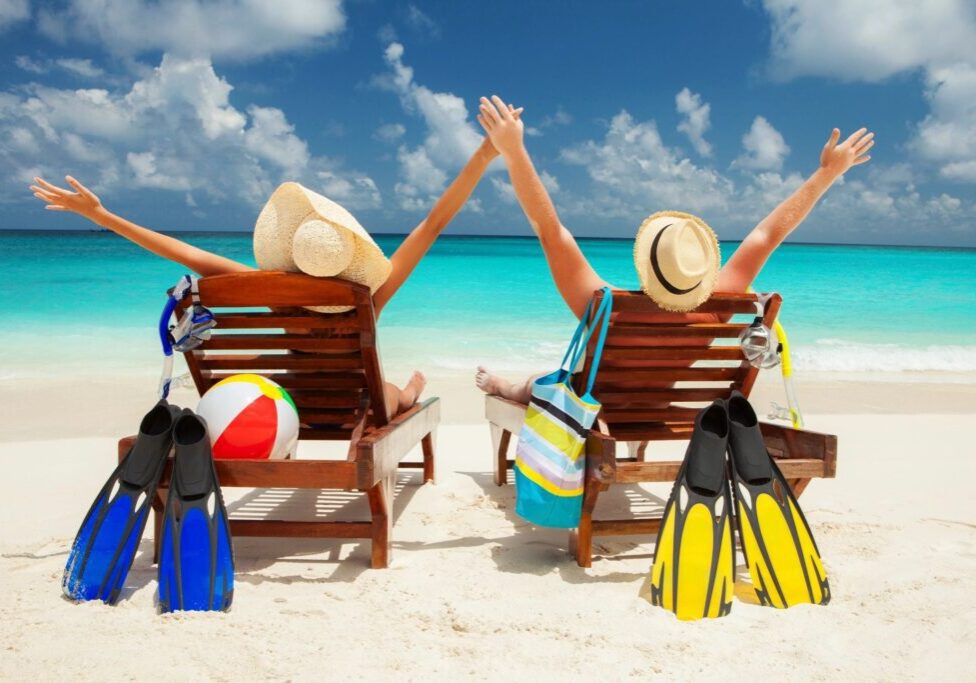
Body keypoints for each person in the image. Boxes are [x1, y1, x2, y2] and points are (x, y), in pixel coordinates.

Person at [30, 117, 520, 419]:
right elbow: (434, 224)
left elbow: (183, 253)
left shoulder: (273, 291)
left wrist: (101, 216)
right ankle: (415, 388)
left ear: (294, 255)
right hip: (357, 407)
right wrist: (485, 153)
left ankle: (408, 388)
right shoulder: (368, 296)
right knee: (396, 394)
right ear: (352, 259)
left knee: (387, 391)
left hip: (293, 403)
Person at [472, 94, 874, 402]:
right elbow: (766, 237)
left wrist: (514, 150)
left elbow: (549, 230)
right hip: (658, 403)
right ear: (699, 272)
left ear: (646, 263)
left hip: (596, 407)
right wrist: (827, 174)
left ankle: (504, 386)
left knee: (537, 383)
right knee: (553, 378)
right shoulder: (716, 309)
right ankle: (513, 385)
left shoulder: (604, 308)